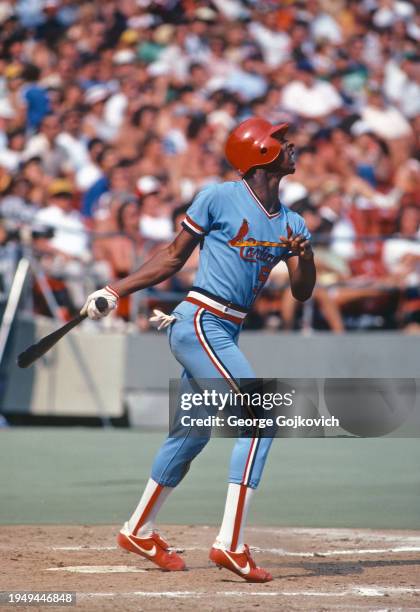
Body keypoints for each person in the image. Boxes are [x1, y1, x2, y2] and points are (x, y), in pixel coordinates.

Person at [81, 118, 316, 582]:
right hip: (199, 321)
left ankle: (138, 529)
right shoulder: (217, 196)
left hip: (225, 331)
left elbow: (302, 293)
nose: (289, 145)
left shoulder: (292, 221)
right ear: (257, 153)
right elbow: (172, 256)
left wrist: (303, 255)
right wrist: (115, 289)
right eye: (278, 139)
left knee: (191, 435)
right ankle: (230, 544)